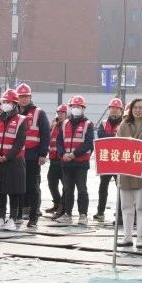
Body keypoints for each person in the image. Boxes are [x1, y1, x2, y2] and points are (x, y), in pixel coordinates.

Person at [117, 98, 142, 249]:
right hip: (125, 172)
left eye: (141, 108)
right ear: (131, 109)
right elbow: (118, 144)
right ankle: (127, 237)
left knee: (140, 207)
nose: (138, 110)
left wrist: (131, 147)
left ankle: (140, 238)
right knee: (126, 207)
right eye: (135, 107)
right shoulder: (124, 124)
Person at [0, 89, 29, 231]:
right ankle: (0, 218)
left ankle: (12, 218)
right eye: (4, 102)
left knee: (14, 191)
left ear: (15, 104)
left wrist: (7, 156)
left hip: (14, 161)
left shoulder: (21, 120)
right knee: (0, 191)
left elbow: (20, 142)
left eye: (8, 102)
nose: (5, 104)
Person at [14, 83, 51, 229]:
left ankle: (33, 217)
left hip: (32, 155)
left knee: (32, 186)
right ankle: (16, 215)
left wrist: (42, 154)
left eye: (26, 96)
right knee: (17, 186)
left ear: (30, 97)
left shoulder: (38, 113)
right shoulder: (13, 112)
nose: (23, 99)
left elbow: (45, 135)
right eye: (21, 96)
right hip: (16, 156)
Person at [55, 96, 95, 224]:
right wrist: (63, 154)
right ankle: (67, 213)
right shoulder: (65, 123)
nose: (75, 109)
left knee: (82, 189)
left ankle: (83, 215)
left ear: (83, 108)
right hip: (66, 162)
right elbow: (59, 142)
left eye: (78, 107)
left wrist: (73, 154)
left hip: (81, 163)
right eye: (73, 107)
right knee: (68, 189)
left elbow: (89, 143)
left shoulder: (88, 124)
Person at [95, 98, 125, 222]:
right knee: (103, 187)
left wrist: (111, 138)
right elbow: (101, 136)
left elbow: (124, 138)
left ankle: (120, 213)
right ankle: (100, 212)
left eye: (116, 108)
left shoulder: (125, 123)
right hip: (106, 159)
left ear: (120, 110)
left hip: (119, 160)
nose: (114, 110)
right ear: (109, 109)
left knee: (121, 188)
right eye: (112, 108)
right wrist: (115, 137)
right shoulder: (103, 123)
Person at [45, 103, 68, 217]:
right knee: (51, 183)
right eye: (58, 113)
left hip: (63, 160)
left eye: (62, 113)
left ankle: (63, 207)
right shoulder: (54, 125)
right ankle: (57, 202)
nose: (60, 115)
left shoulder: (68, 126)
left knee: (65, 185)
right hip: (53, 159)